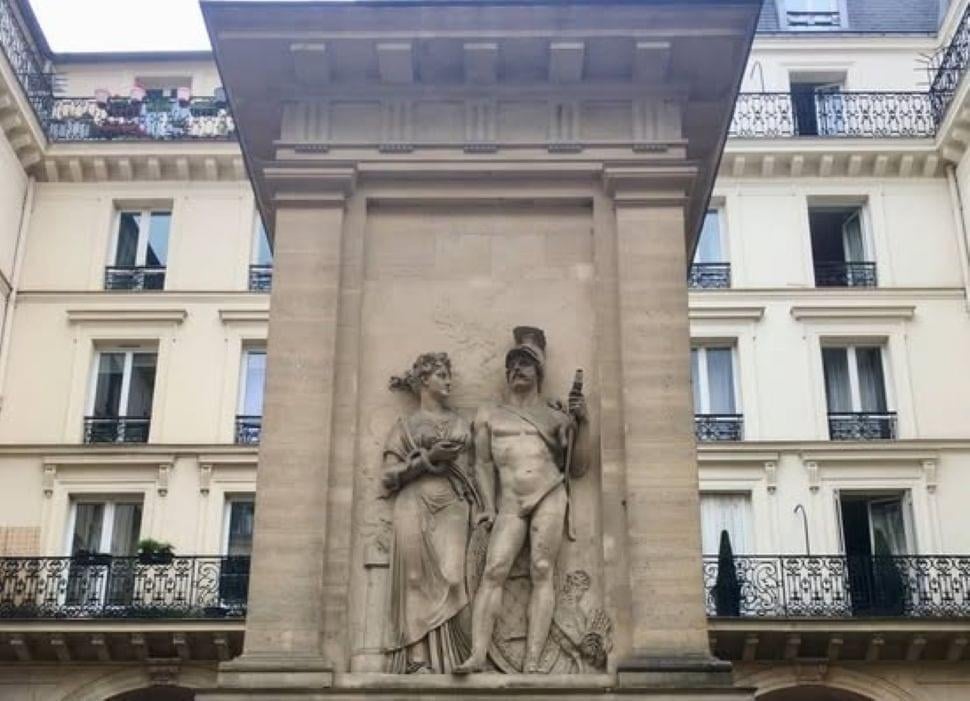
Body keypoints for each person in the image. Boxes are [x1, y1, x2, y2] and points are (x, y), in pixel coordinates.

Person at [455, 327, 588, 674]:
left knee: (542, 570)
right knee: (494, 569)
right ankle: (478, 654)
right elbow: (481, 464)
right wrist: (487, 505)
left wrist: (581, 422)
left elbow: (578, 466)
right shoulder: (488, 414)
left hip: (549, 493)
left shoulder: (557, 416)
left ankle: (532, 660)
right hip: (511, 502)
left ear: (538, 371)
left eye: (525, 363)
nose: (517, 369)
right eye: (512, 363)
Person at [382, 352, 482, 673]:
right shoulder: (405, 427)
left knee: (454, 577)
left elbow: (477, 470)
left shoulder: (460, 424)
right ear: (424, 380)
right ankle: (418, 659)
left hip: (452, 503)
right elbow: (388, 476)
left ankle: (453, 657)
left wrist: (484, 507)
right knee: (414, 578)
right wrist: (427, 459)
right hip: (412, 500)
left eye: (448, 374)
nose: (448, 380)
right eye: (441, 374)